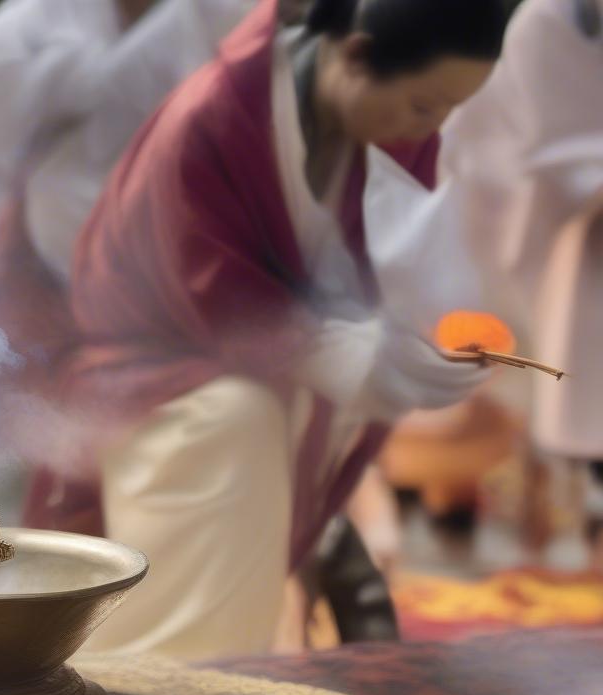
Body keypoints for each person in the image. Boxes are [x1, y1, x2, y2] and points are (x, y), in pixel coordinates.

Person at [28, 0, 511, 658]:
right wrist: (364, 357)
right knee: (235, 419)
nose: (430, 128)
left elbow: (400, 269)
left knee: (270, 422)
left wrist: (422, 340)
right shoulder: (210, 121)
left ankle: (230, 693)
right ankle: (165, 694)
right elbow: (217, 301)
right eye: (425, 106)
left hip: (278, 380)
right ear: (356, 55)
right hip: (155, 380)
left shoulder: (387, 128)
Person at [0, 0, 251, 305]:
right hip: (27, 268)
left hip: (147, 256)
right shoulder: (42, 20)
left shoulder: (206, 16)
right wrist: (83, 79)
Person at [441, 0, 603, 559]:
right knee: (534, 368)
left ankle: (571, 505)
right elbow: (550, 151)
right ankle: (528, 503)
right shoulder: (547, 21)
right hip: (521, 209)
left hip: (581, 222)